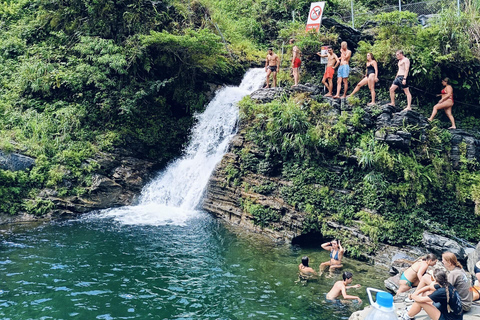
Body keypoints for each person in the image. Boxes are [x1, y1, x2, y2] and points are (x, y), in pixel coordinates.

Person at [399, 269, 463, 320]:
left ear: (434, 278)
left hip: (449, 318)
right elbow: (430, 287)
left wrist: (412, 296)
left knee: (420, 302)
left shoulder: (441, 292)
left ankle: (406, 316)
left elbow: (421, 300)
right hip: (456, 316)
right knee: (426, 294)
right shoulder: (446, 284)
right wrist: (416, 293)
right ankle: (410, 312)